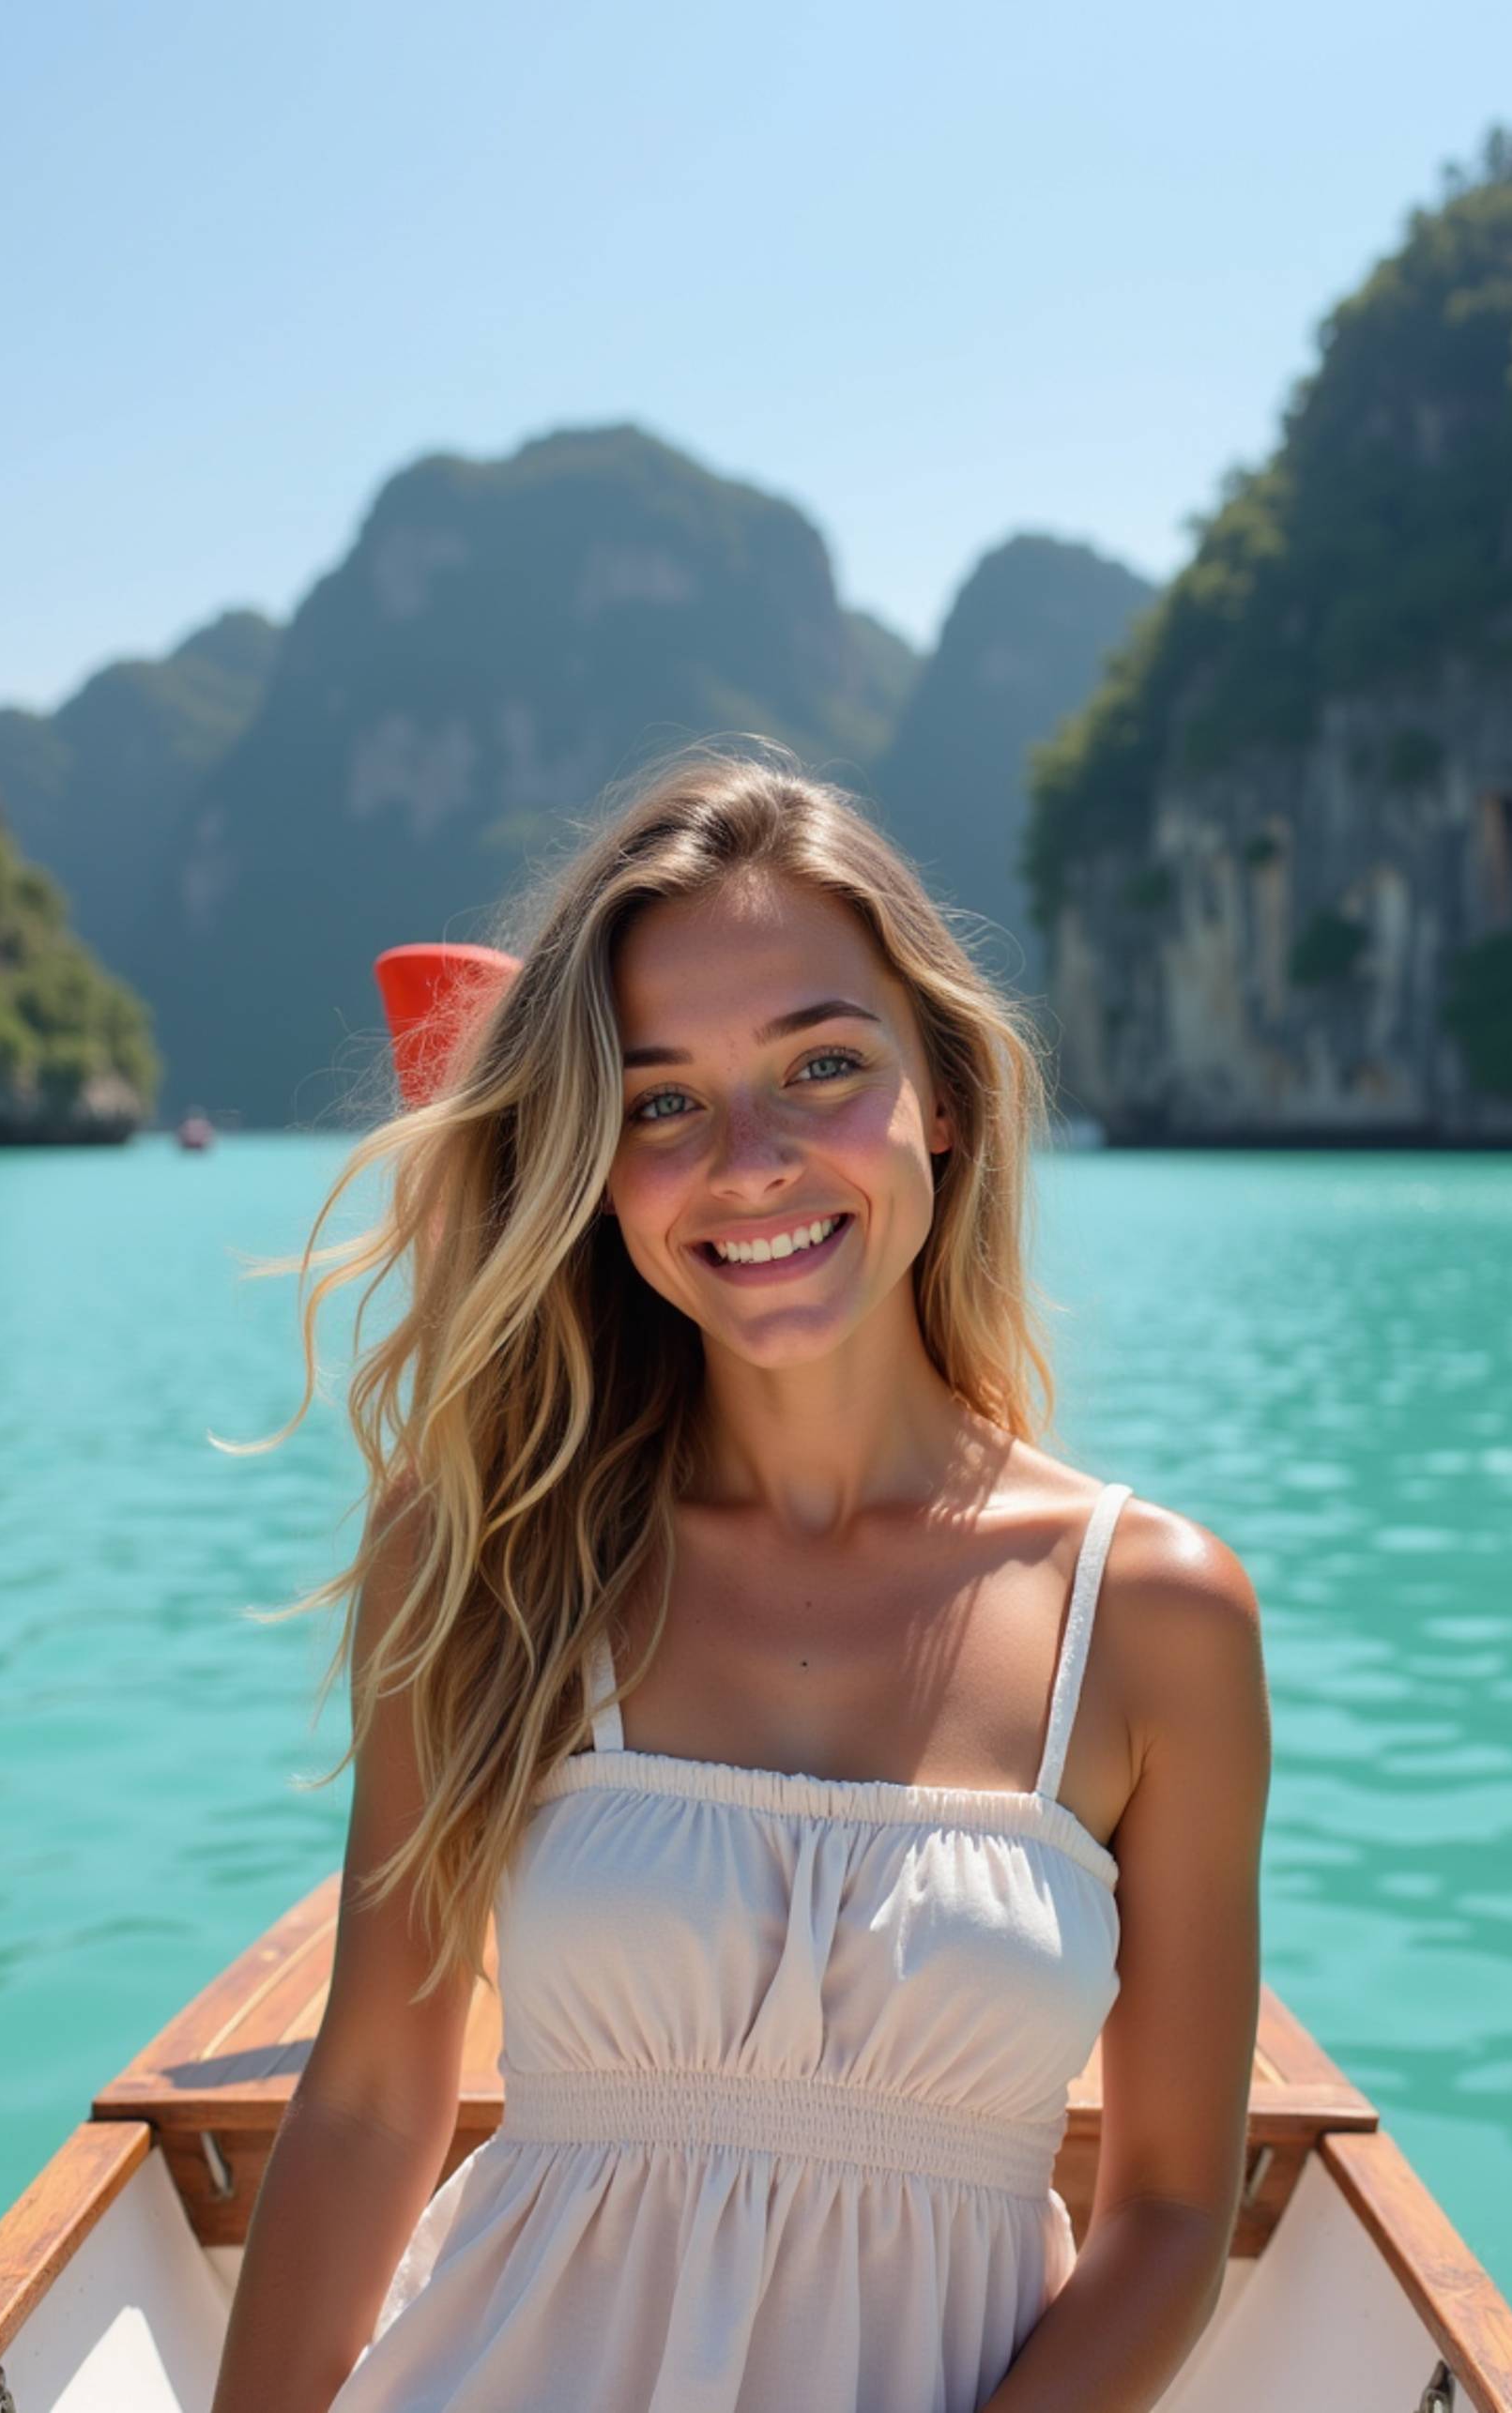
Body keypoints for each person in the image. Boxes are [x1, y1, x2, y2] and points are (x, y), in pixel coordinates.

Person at [208, 740, 1272, 2413]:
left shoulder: (1149, 1614)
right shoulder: (487, 1546)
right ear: (596, 1162)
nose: (752, 1158)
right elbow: (367, 2102)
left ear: (950, 1095)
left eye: (823, 1066)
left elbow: (1167, 2215)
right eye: (663, 1103)